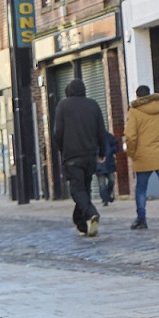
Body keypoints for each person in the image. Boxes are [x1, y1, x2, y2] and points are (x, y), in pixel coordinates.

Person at [52, 79, 109, 237]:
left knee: (77, 190)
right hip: (90, 155)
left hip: (72, 156)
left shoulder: (63, 106)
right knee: (85, 188)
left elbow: (57, 132)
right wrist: (102, 152)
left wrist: (63, 148)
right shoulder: (93, 105)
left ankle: (91, 214)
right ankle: (80, 223)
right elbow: (101, 131)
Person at [124, 85, 159, 229]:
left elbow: (130, 136)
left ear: (137, 97)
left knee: (141, 188)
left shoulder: (135, 112)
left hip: (143, 156)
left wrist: (131, 152)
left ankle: (141, 219)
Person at [96, 129, 119, 206]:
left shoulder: (108, 136)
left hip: (109, 163)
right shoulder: (93, 138)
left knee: (112, 180)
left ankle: (108, 195)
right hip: (99, 164)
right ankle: (105, 199)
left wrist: (111, 151)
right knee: (102, 184)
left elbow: (116, 145)